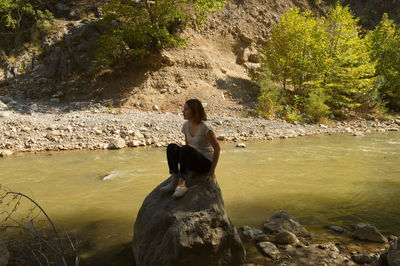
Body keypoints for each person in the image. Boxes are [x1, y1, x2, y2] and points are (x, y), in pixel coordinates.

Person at [160, 99, 221, 198]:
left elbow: (217, 148)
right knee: (172, 147)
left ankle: (182, 185)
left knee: (185, 149)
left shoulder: (205, 127)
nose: (183, 111)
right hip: (192, 159)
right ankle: (174, 181)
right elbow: (187, 144)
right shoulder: (185, 125)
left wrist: (212, 171)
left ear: (194, 111)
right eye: (183, 109)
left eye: (186, 109)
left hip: (205, 163)